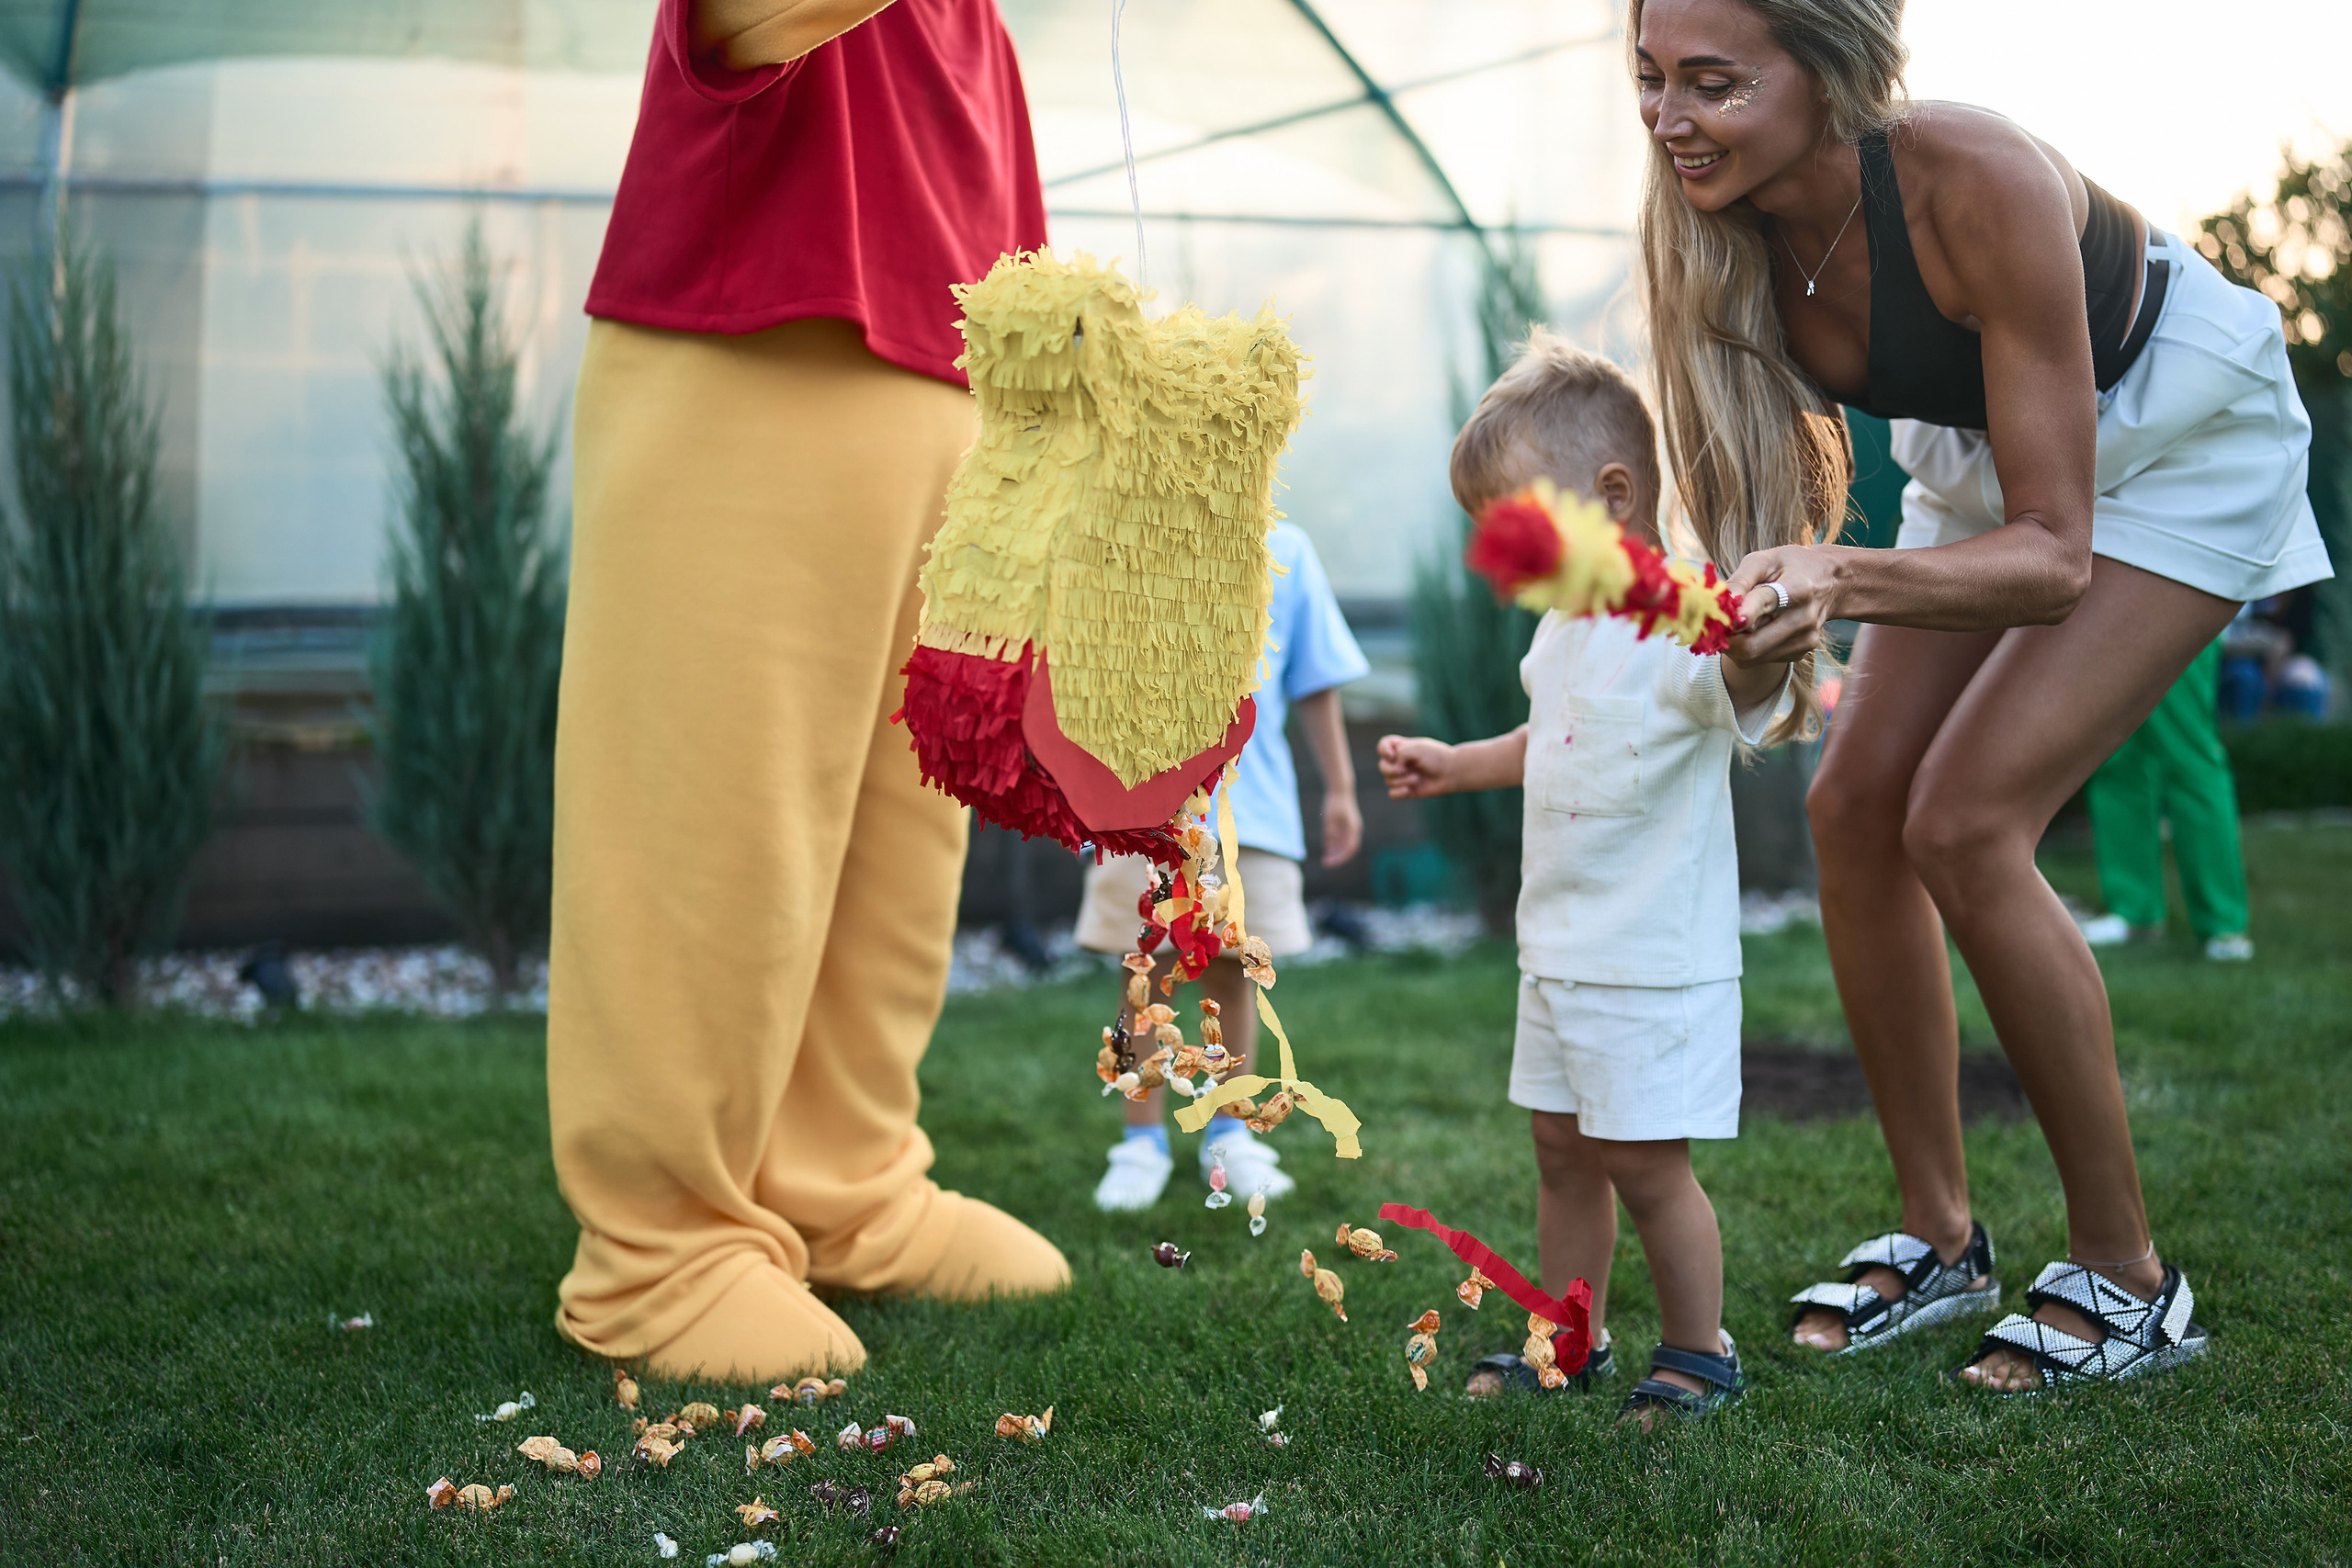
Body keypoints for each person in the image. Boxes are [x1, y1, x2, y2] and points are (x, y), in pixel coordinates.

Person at [1630, 0, 2331, 1390]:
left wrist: (1839, 575)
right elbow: (1771, 530)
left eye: (1713, 83)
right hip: (1985, 453)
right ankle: (1941, 1236)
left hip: (2176, 432)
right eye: (1651, 79)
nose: (1669, 118)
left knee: (1963, 817)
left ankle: (2130, 1274)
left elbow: (2055, 554)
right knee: (1855, 806)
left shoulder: (1974, 178)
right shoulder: (1714, 234)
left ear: (1827, 76)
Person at [544, 0, 1069, 1385]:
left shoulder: (976, 31)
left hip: (938, 410)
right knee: (719, 824)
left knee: (899, 849)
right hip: (746, 351)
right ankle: (659, 1250)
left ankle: (847, 1184)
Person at [1378, 333, 1793, 1426]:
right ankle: (1569, 1338)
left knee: (1645, 1165)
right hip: (1556, 954)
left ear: (1610, 499)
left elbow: (1742, 678)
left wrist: (1765, 643)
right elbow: (1550, 737)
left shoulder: (1679, 620)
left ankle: (1699, 1353)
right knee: (1562, 1153)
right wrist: (1458, 765)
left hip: (1647, 963)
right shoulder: (1566, 633)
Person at [1080, 521, 1368, 1212]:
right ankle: (1140, 1139)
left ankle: (1226, 1129)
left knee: (1235, 970)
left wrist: (1341, 787)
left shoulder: (1289, 548)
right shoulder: (1124, 531)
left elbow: (1315, 678)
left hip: (1252, 816)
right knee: (1142, 973)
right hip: (1138, 808)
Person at [2081, 641, 2255, 963]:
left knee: (2187, 752)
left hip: (2177, 593)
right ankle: (2134, 910)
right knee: (2117, 755)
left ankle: (2223, 924)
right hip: (2107, 605)